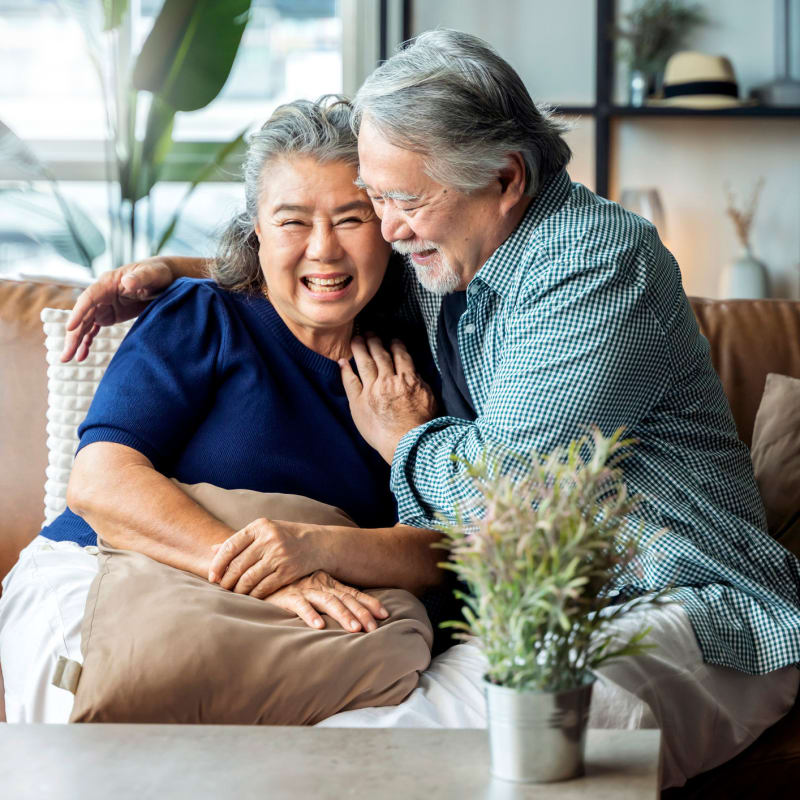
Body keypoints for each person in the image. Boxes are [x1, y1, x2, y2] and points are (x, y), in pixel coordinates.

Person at [64, 30, 800, 789]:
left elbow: (509, 499)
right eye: (375, 200)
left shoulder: (593, 266)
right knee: (350, 748)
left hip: (684, 605)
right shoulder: (452, 249)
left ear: (506, 177)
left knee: (419, 763)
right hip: (537, 603)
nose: (384, 228)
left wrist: (406, 438)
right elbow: (321, 259)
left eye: (401, 201)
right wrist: (176, 271)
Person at [0, 96, 448, 724]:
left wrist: (322, 538)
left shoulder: (412, 369)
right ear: (256, 230)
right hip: (120, 568)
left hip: (309, 613)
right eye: (292, 221)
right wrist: (273, 571)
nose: (324, 250)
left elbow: (444, 551)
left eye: (352, 219)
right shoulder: (205, 314)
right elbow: (99, 483)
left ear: (389, 226)